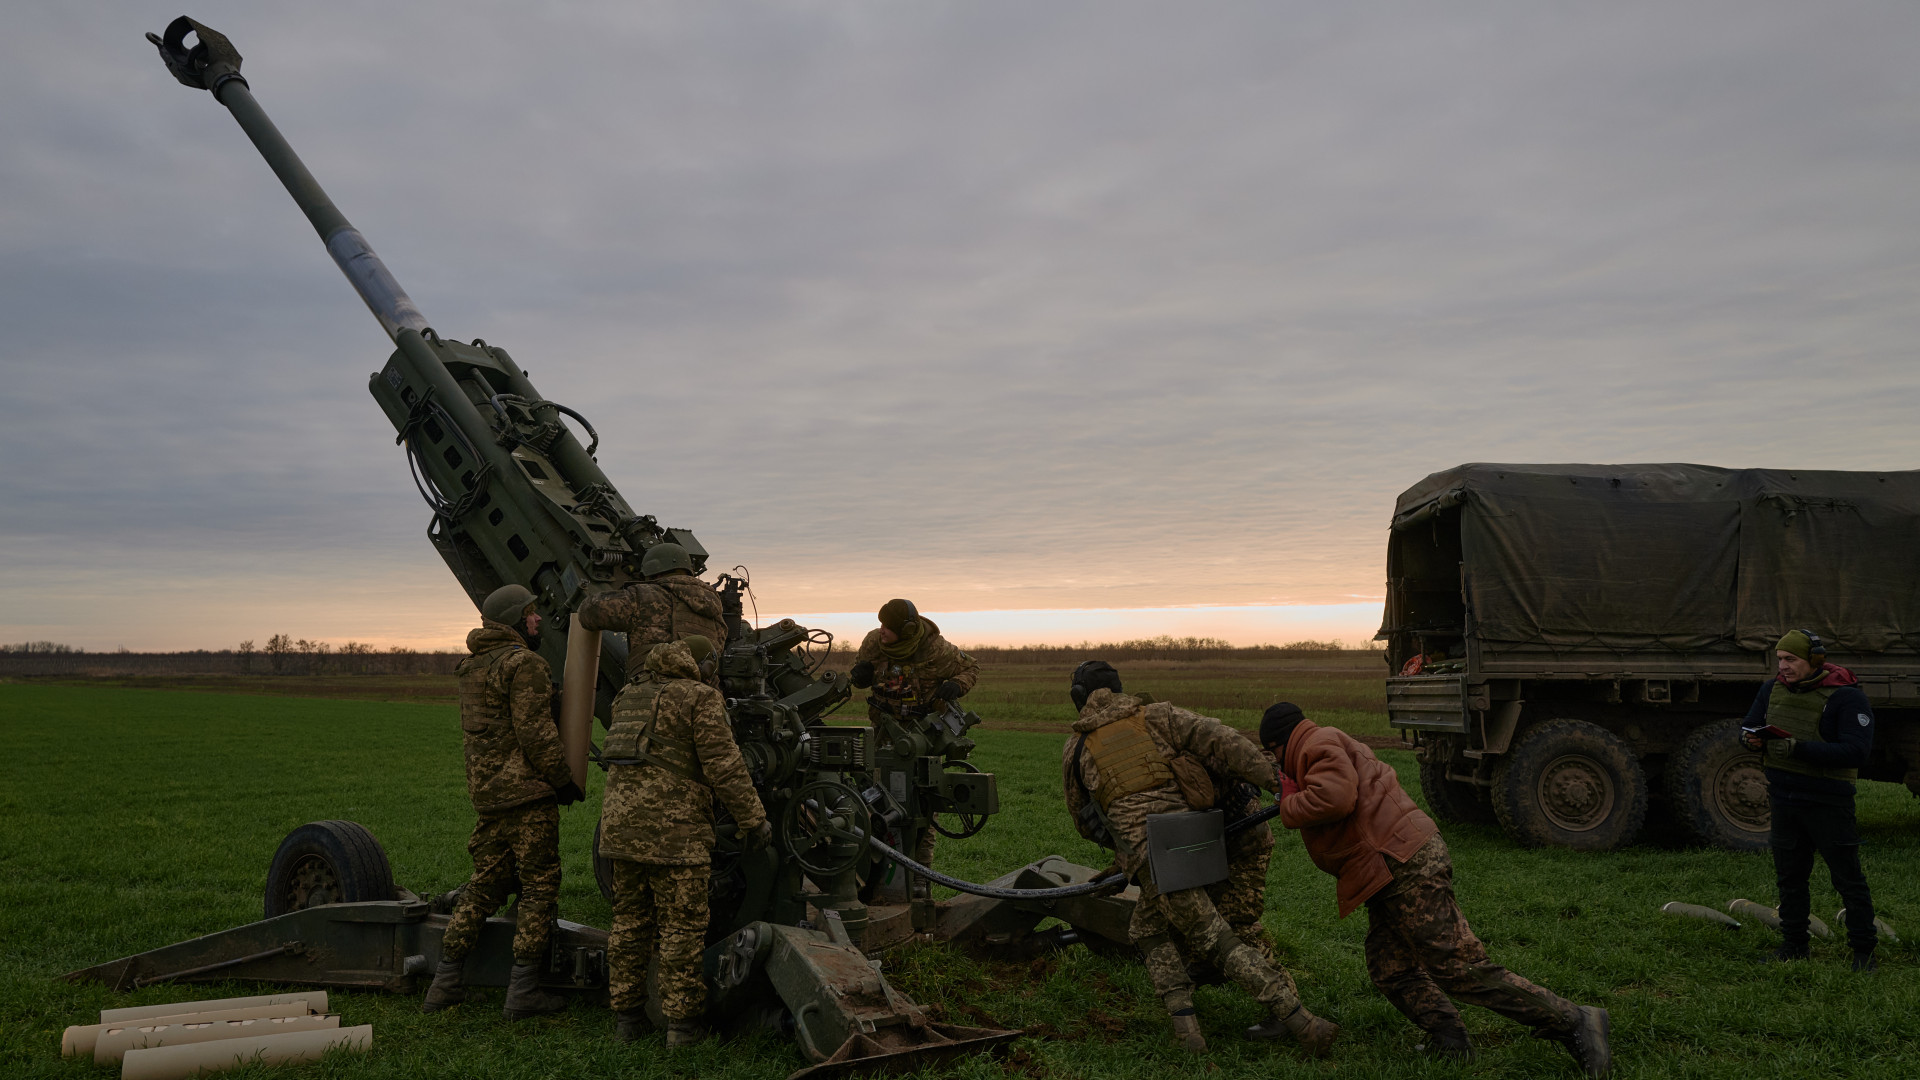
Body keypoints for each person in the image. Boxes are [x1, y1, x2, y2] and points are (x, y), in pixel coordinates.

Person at [1261, 701, 1610, 1076]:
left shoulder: (1315, 744)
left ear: (1282, 743)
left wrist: (1290, 802)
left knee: (1460, 967)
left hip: (1403, 861)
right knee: (1390, 967)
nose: (1277, 763)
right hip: (1392, 864)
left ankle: (1574, 1019)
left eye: (1272, 754)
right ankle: (1450, 1039)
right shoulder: (1322, 742)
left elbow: (1335, 798)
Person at [1062, 662, 1336, 1057]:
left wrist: (1129, 852)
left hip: (1155, 854)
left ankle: (1303, 1022)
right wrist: (1279, 783)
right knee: (1147, 929)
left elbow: (1084, 820)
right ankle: (1187, 1031)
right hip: (1197, 838)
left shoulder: (1076, 749)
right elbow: (1223, 741)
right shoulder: (1157, 715)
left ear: (1077, 698)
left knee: (1217, 937)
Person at [599, 635, 772, 1046]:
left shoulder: (629, 693)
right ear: (703, 665)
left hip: (621, 830)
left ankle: (627, 1019)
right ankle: (682, 1028)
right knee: (681, 928)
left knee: (629, 924)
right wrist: (754, 819)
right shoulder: (699, 697)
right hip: (674, 835)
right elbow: (724, 765)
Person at [422, 584, 585, 1020]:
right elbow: (535, 734)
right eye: (531, 614)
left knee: (483, 886)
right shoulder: (524, 664)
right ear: (515, 620)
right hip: (527, 796)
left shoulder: (471, 667)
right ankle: (523, 991)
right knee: (538, 888)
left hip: (489, 796)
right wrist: (562, 780)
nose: (537, 620)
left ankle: (445, 982)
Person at [1740, 629, 1878, 970]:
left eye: (1791, 660)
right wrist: (1750, 740)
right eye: (1780, 660)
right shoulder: (1772, 690)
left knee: (1847, 878)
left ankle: (1863, 952)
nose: (1783, 667)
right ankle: (1794, 945)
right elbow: (1751, 726)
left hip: (1828, 801)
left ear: (1815, 660)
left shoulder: (1846, 697)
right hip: (1785, 798)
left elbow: (1856, 751)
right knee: (1790, 877)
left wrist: (1799, 749)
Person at [849, 599, 979, 890]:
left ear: (906, 631)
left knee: (921, 810)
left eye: (888, 628)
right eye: (880, 624)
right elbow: (860, 670)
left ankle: (919, 882)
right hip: (883, 737)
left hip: (921, 741)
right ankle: (877, 881)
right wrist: (860, 675)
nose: (881, 631)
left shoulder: (937, 650)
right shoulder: (873, 642)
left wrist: (956, 685)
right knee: (875, 803)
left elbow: (971, 669)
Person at [576, 542, 729, 684]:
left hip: (656, 697)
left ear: (653, 572)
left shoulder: (645, 597)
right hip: (703, 701)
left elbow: (590, 611)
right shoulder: (715, 612)